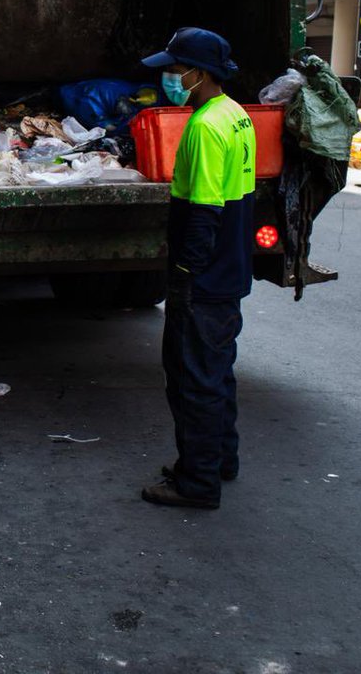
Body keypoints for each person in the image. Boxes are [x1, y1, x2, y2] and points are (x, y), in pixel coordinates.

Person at [139, 27, 256, 510]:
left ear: (198, 74)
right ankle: (219, 459)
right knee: (217, 372)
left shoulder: (206, 126)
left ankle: (197, 480)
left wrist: (186, 275)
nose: (170, 77)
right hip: (230, 271)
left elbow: (205, 211)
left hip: (205, 277)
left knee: (192, 378)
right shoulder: (236, 115)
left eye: (174, 69)